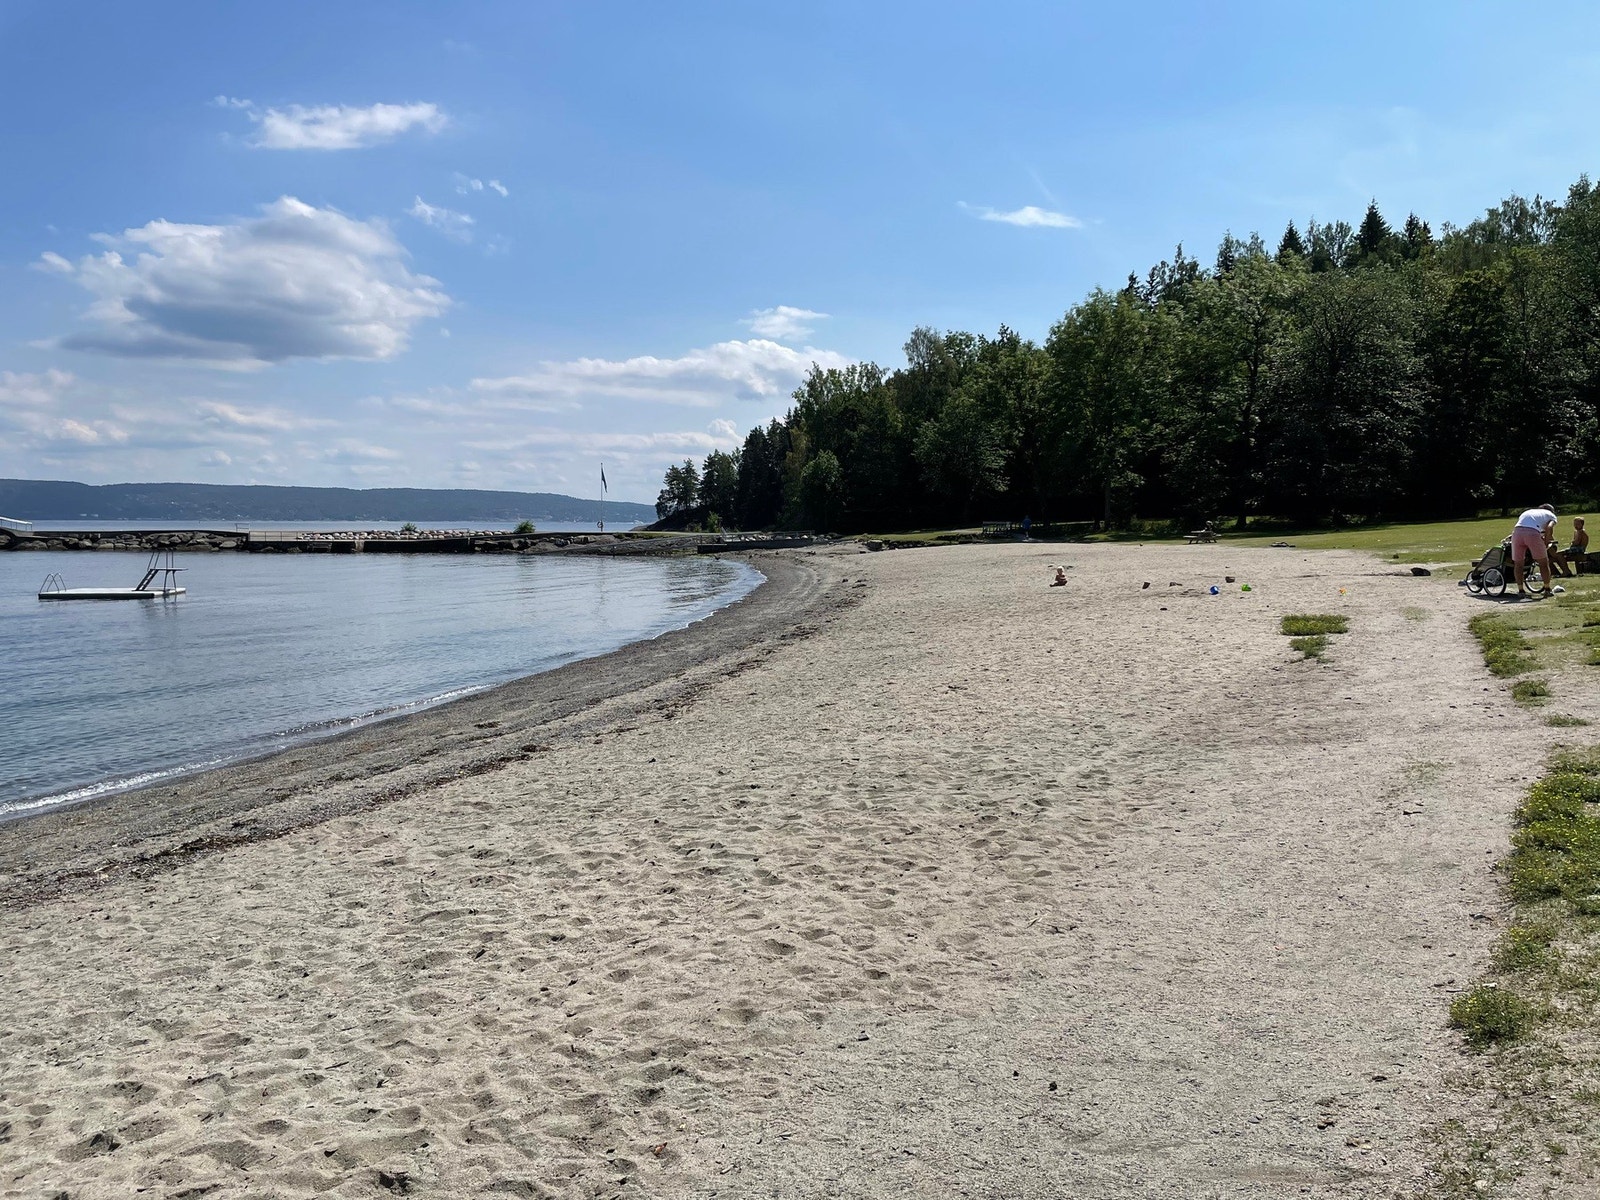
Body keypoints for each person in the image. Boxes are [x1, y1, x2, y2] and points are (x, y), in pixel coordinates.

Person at [1510, 504, 1558, 596]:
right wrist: (1547, 541)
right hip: (1532, 534)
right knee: (1543, 563)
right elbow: (1549, 527)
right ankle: (1547, 588)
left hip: (1517, 533)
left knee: (1518, 564)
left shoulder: (1528, 512)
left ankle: (1521, 590)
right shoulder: (1551, 515)